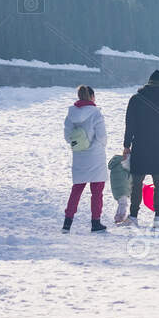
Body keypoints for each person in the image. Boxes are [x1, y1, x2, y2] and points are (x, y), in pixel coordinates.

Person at [124, 70, 159, 227]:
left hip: (140, 146)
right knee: (158, 183)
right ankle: (158, 218)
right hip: (158, 147)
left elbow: (130, 124)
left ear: (148, 82)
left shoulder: (136, 99)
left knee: (137, 183)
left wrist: (126, 145)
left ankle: (133, 216)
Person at [62, 85, 109, 233]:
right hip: (95, 157)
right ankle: (95, 222)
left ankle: (67, 223)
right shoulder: (96, 113)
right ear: (92, 97)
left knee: (76, 190)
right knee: (97, 192)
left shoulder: (71, 114)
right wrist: (98, 146)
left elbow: (67, 137)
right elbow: (102, 136)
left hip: (79, 156)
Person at [108, 153, 133, 225]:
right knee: (123, 203)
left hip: (119, 187)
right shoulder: (123, 163)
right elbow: (129, 177)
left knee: (122, 203)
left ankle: (118, 217)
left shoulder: (118, 163)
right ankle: (120, 217)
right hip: (121, 187)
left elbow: (128, 178)